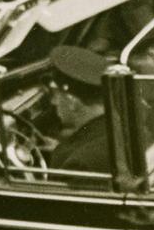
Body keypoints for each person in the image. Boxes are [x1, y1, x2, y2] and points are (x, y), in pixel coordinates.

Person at [46, 45, 114, 173]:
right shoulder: (120, 126)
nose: (53, 102)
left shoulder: (78, 164)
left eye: (55, 94)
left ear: (71, 100)